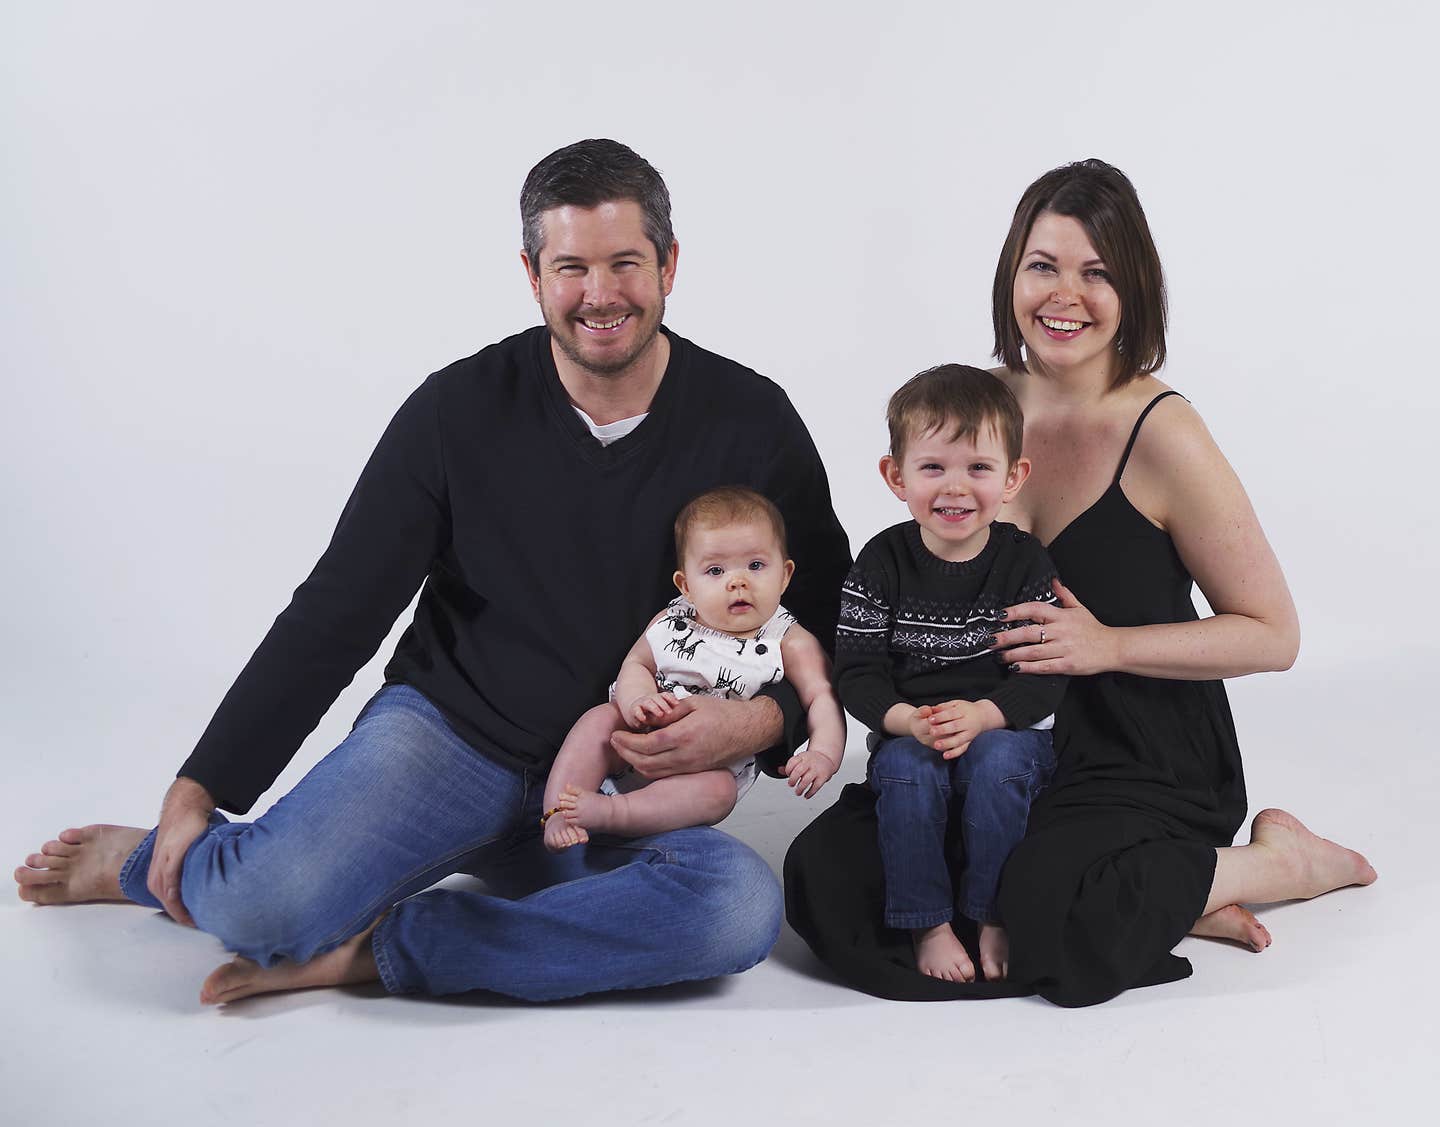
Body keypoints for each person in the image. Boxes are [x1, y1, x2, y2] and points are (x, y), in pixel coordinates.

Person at [14, 138, 852, 1005]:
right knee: (266, 906)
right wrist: (204, 786)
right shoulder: (456, 410)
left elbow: (834, 618)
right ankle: (152, 859)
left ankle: (385, 950)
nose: (600, 295)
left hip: (614, 788)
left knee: (734, 909)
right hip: (449, 741)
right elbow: (336, 609)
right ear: (532, 275)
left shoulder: (754, 419)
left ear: (670, 265)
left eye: (625, 263)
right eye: (571, 267)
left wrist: (756, 722)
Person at [784, 158, 1376, 1006]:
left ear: (1133, 286)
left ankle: (1274, 862)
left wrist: (1106, 645)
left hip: (1137, 749)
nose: (1066, 294)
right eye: (1044, 265)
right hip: (994, 743)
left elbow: (1274, 633)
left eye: (1097, 272)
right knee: (825, 880)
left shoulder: (1163, 431)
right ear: (1011, 275)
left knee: (1042, 914)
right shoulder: (973, 409)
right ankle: (1166, 894)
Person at [835, 364, 1066, 984]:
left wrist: (985, 716)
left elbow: (1045, 673)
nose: (955, 488)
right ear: (896, 476)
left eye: (979, 468)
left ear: (1014, 477)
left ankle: (994, 914)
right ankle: (928, 924)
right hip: (916, 728)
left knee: (996, 765)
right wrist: (906, 720)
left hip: (1005, 728)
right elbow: (857, 673)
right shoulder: (880, 563)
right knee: (907, 772)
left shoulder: (1022, 562)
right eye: (933, 467)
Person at [543, 486, 845, 853]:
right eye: (715, 570)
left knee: (719, 793)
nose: (738, 581)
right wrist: (637, 700)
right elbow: (637, 663)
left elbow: (822, 697)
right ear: (686, 585)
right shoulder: (673, 618)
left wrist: (823, 754)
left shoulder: (790, 641)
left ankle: (613, 812)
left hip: (705, 771)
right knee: (597, 722)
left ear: (785, 574)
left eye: (755, 565)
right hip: (635, 739)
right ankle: (558, 811)